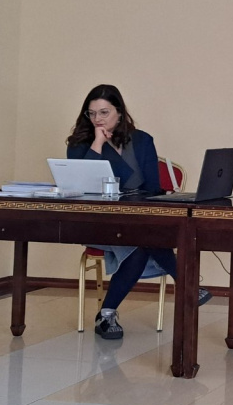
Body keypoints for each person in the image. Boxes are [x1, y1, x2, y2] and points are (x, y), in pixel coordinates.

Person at [66, 84, 211, 340]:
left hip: (136, 219)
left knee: (143, 238)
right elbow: (81, 186)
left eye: (104, 112)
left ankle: (106, 314)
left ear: (119, 112)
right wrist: (98, 143)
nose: (98, 119)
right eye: (92, 113)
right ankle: (188, 284)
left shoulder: (142, 140)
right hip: (96, 220)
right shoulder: (79, 143)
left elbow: (152, 187)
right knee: (145, 239)